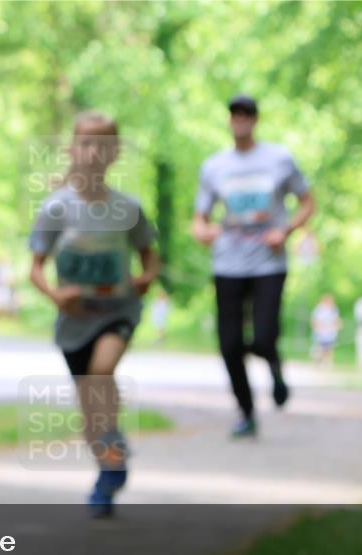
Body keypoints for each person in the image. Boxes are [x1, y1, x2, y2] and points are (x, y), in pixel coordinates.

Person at [28, 111, 159, 518]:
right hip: (75, 321)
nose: (93, 153)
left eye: (103, 146)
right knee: (90, 409)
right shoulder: (55, 209)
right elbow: (34, 269)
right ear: (72, 150)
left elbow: (150, 258)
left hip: (118, 311)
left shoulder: (128, 209)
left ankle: (113, 447)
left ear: (115, 153)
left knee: (103, 371)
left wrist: (145, 279)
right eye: (86, 144)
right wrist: (55, 295)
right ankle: (108, 469)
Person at [191, 94, 316, 438]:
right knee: (229, 344)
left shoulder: (279, 159)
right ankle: (246, 412)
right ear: (229, 120)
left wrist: (286, 230)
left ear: (255, 120)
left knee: (263, 336)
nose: (240, 120)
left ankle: (274, 367)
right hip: (228, 263)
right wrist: (205, 232)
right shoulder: (214, 166)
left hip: (268, 263)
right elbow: (198, 221)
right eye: (234, 114)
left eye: (246, 114)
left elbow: (307, 203)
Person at [311, 294, 342, 366]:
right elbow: (314, 320)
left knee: (330, 348)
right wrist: (317, 327)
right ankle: (319, 361)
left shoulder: (334, 309)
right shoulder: (319, 309)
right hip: (320, 333)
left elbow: (336, 319)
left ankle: (328, 363)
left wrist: (338, 325)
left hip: (330, 333)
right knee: (320, 349)